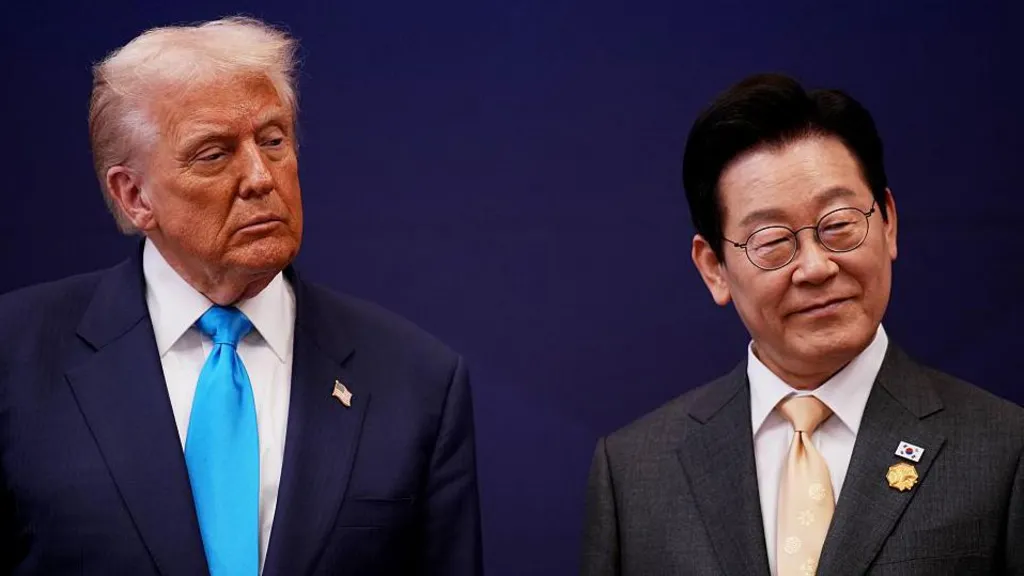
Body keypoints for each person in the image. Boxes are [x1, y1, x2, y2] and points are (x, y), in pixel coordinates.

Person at [0, 17, 482, 576]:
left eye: (273, 140)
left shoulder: (416, 379)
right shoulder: (16, 359)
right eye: (213, 153)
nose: (260, 176)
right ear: (133, 196)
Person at [580, 73, 1023, 575]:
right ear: (714, 269)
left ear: (889, 222)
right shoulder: (634, 472)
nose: (815, 267)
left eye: (838, 225)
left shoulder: (1004, 451)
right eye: (771, 241)